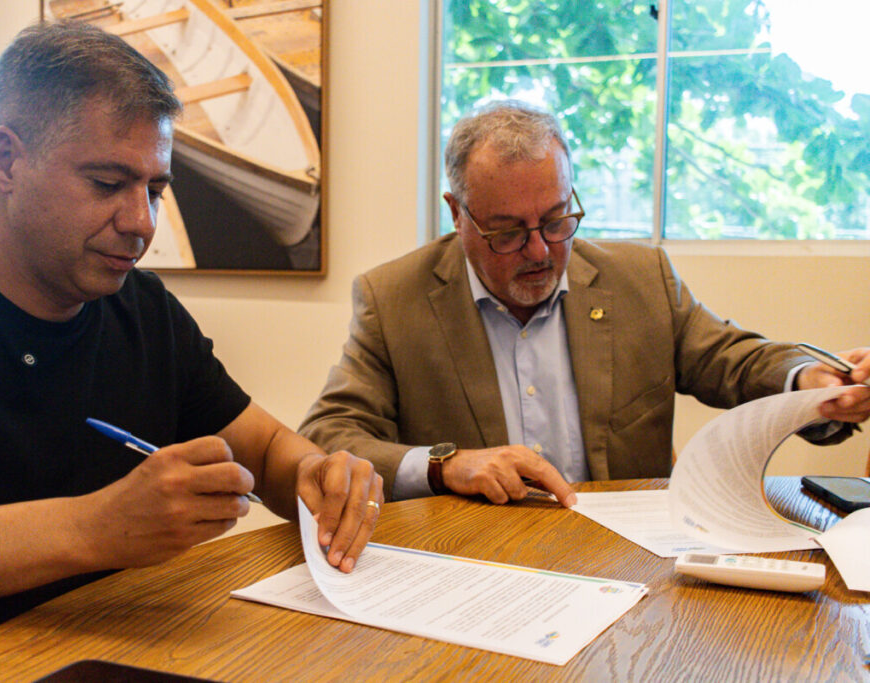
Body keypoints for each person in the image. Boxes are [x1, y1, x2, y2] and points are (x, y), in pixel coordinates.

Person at [0, 21, 382, 681]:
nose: (142, 223)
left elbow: (267, 449)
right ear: (6, 162)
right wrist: (91, 529)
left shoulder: (143, 309)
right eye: (107, 184)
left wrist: (319, 472)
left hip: (117, 656)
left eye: (155, 191)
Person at [298, 101, 870, 507]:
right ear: (457, 213)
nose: (540, 251)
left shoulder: (638, 279)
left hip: (626, 558)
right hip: (476, 560)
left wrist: (811, 380)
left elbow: (733, 360)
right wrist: (445, 464)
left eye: (556, 221)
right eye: (508, 232)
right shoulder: (394, 299)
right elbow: (329, 434)